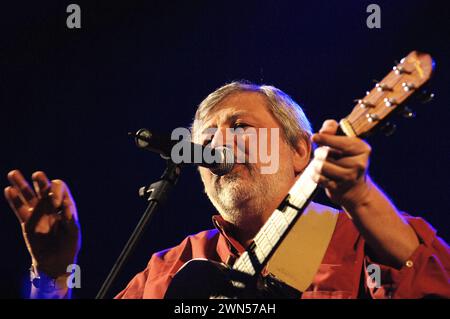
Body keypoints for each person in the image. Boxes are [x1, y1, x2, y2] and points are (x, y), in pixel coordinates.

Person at [4, 81, 450, 299]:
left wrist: (362, 196)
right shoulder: (175, 266)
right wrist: (52, 275)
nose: (219, 144)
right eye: (206, 139)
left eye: (240, 127)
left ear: (300, 151)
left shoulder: (362, 237)